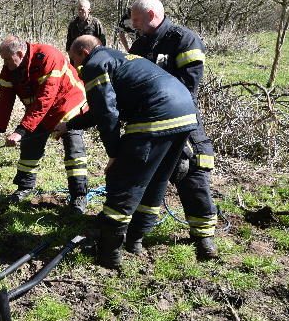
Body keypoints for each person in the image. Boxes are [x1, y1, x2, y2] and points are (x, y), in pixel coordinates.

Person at [54, 36, 198, 269]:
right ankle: (135, 241)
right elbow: (103, 108)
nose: (76, 67)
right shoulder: (118, 58)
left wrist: (115, 153)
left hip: (155, 116)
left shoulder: (94, 64)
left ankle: (109, 255)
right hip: (185, 114)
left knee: (123, 183)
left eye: (74, 60)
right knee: (155, 181)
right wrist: (69, 125)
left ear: (82, 52)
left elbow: (106, 113)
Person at [128, 0, 218, 260]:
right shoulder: (141, 43)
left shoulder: (184, 40)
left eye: (136, 21)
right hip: (148, 120)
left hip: (182, 117)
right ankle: (137, 233)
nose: (134, 26)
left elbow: (189, 87)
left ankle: (204, 237)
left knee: (192, 172)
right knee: (145, 176)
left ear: (152, 15)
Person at [0, 35, 89, 212]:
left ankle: (79, 196)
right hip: (40, 111)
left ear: (20, 53)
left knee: (74, 150)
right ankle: (24, 188)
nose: (4, 64)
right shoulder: (9, 70)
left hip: (69, 106)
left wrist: (21, 131)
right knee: (30, 146)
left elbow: (46, 99)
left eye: (7, 59)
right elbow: (4, 103)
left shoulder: (48, 56)